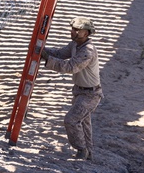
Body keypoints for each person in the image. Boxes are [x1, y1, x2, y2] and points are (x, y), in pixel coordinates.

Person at [41, 16, 102, 160]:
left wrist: (46, 58)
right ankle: (88, 153)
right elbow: (59, 54)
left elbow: (71, 67)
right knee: (84, 123)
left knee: (71, 120)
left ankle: (81, 150)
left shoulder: (87, 50)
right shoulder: (75, 45)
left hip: (90, 94)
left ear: (86, 33)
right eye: (73, 29)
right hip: (80, 91)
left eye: (77, 30)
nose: (73, 32)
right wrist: (43, 51)